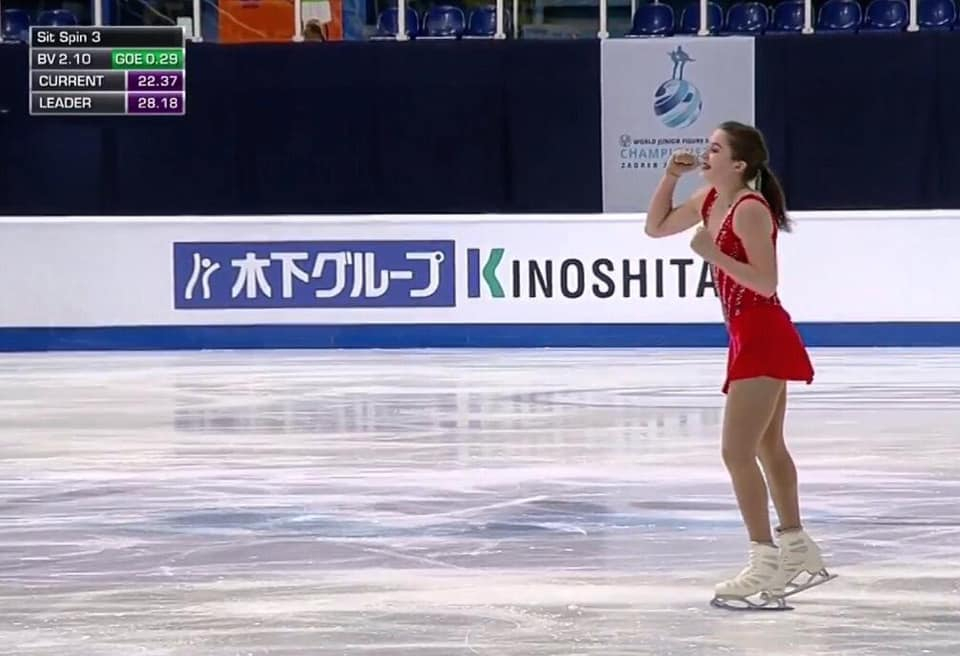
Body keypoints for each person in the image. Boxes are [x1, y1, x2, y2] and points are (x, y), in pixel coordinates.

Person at [644, 121, 835, 610]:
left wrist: (713, 254)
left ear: (738, 164)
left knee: (737, 452)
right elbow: (656, 227)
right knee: (768, 446)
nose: (704, 155)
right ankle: (797, 547)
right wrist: (670, 177)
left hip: (762, 333)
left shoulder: (750, 208)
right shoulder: (710, 199)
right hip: (747, 334)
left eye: (715, 149)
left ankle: (764, 560)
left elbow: (766, 283)